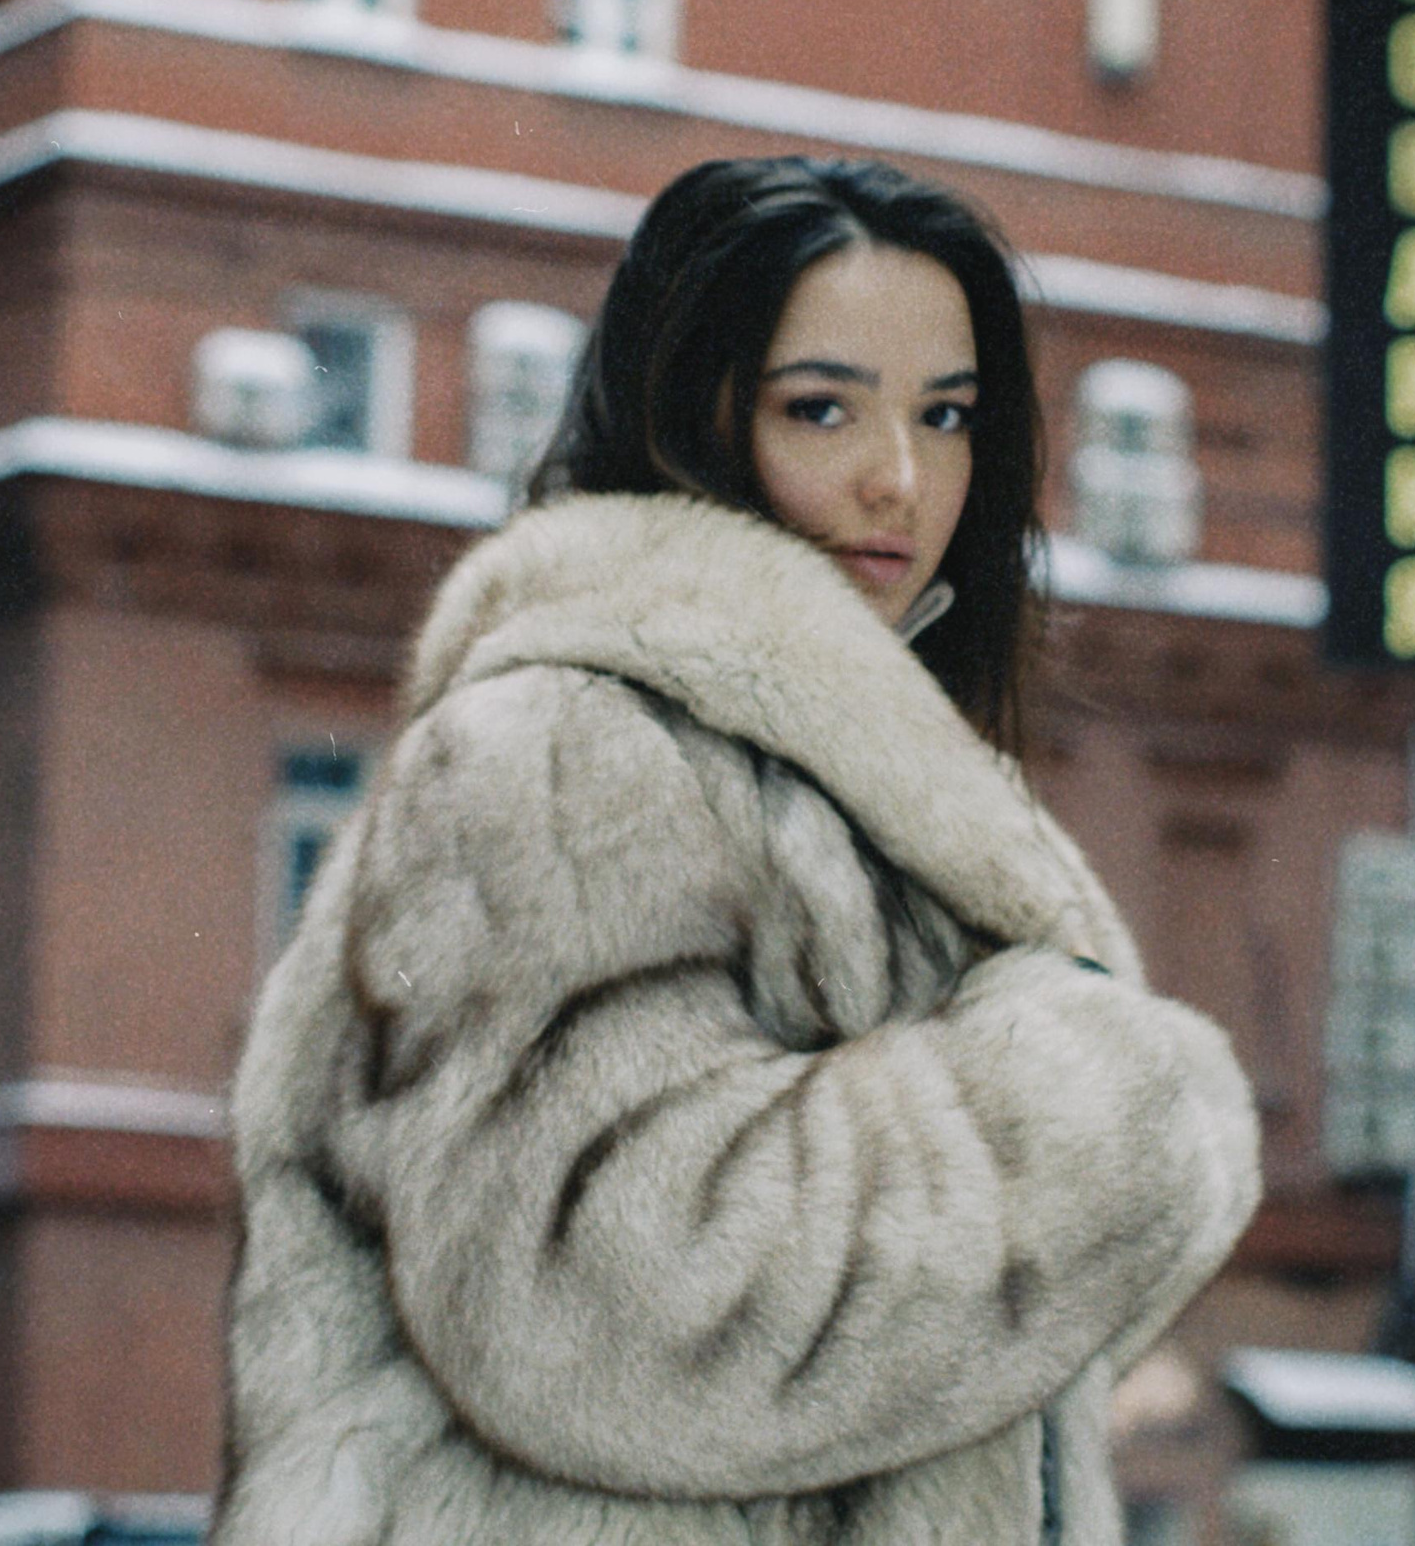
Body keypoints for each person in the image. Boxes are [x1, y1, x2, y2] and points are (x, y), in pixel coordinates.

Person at [213, 156, 1260, 1546]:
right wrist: (1098, 1117)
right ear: (690, 412)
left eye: (947, 416)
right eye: (821, 407)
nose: (900, 477)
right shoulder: (571, 752)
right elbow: (615, 1307)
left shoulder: (860, 785)